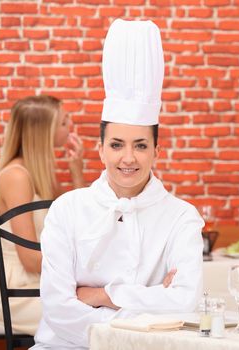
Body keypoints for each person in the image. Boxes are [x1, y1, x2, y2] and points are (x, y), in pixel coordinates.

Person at [32, 19, 204, 349]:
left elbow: (186, 304)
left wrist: (102, 295)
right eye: (116, 145)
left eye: (140, 145)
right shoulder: (67, 210)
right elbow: (59, 310)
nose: (128, 158)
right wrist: (148, 305)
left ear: (157, 150)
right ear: (100, 149)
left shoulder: (182, 217)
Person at [0, 95, 84, 335]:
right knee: (93, 319)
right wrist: (80, 271)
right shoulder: (17, 177)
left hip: (39, 284)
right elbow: (30, 260)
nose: (69, 126)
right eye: (63, 122)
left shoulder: (40, 174)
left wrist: (76, 174)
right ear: (44, 132)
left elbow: (81, 222)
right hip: (16, 292)